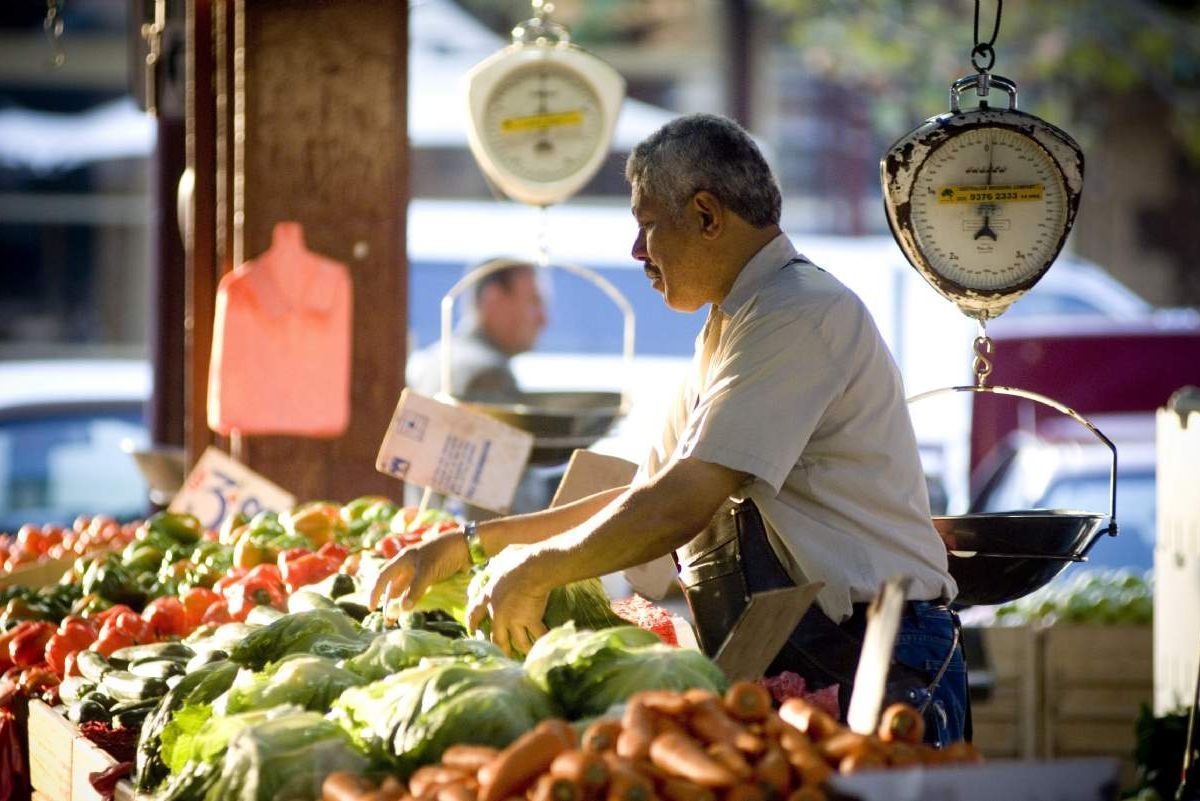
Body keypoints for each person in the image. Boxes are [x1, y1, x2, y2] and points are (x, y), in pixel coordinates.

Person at [372, 113, 969, 745]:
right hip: (807, 651)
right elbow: (646, 495)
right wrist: (469, 545)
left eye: (646, 223)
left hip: (881, 653)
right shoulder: (734, 324)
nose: (636, 251)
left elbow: (677, 507)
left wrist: (538, 569)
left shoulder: (800, 315)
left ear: (707, 215)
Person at [406, 257, 547, 403]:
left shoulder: (431, 359)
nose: (543, 319)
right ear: (494, 300)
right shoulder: (489, 375)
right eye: (534, 302)